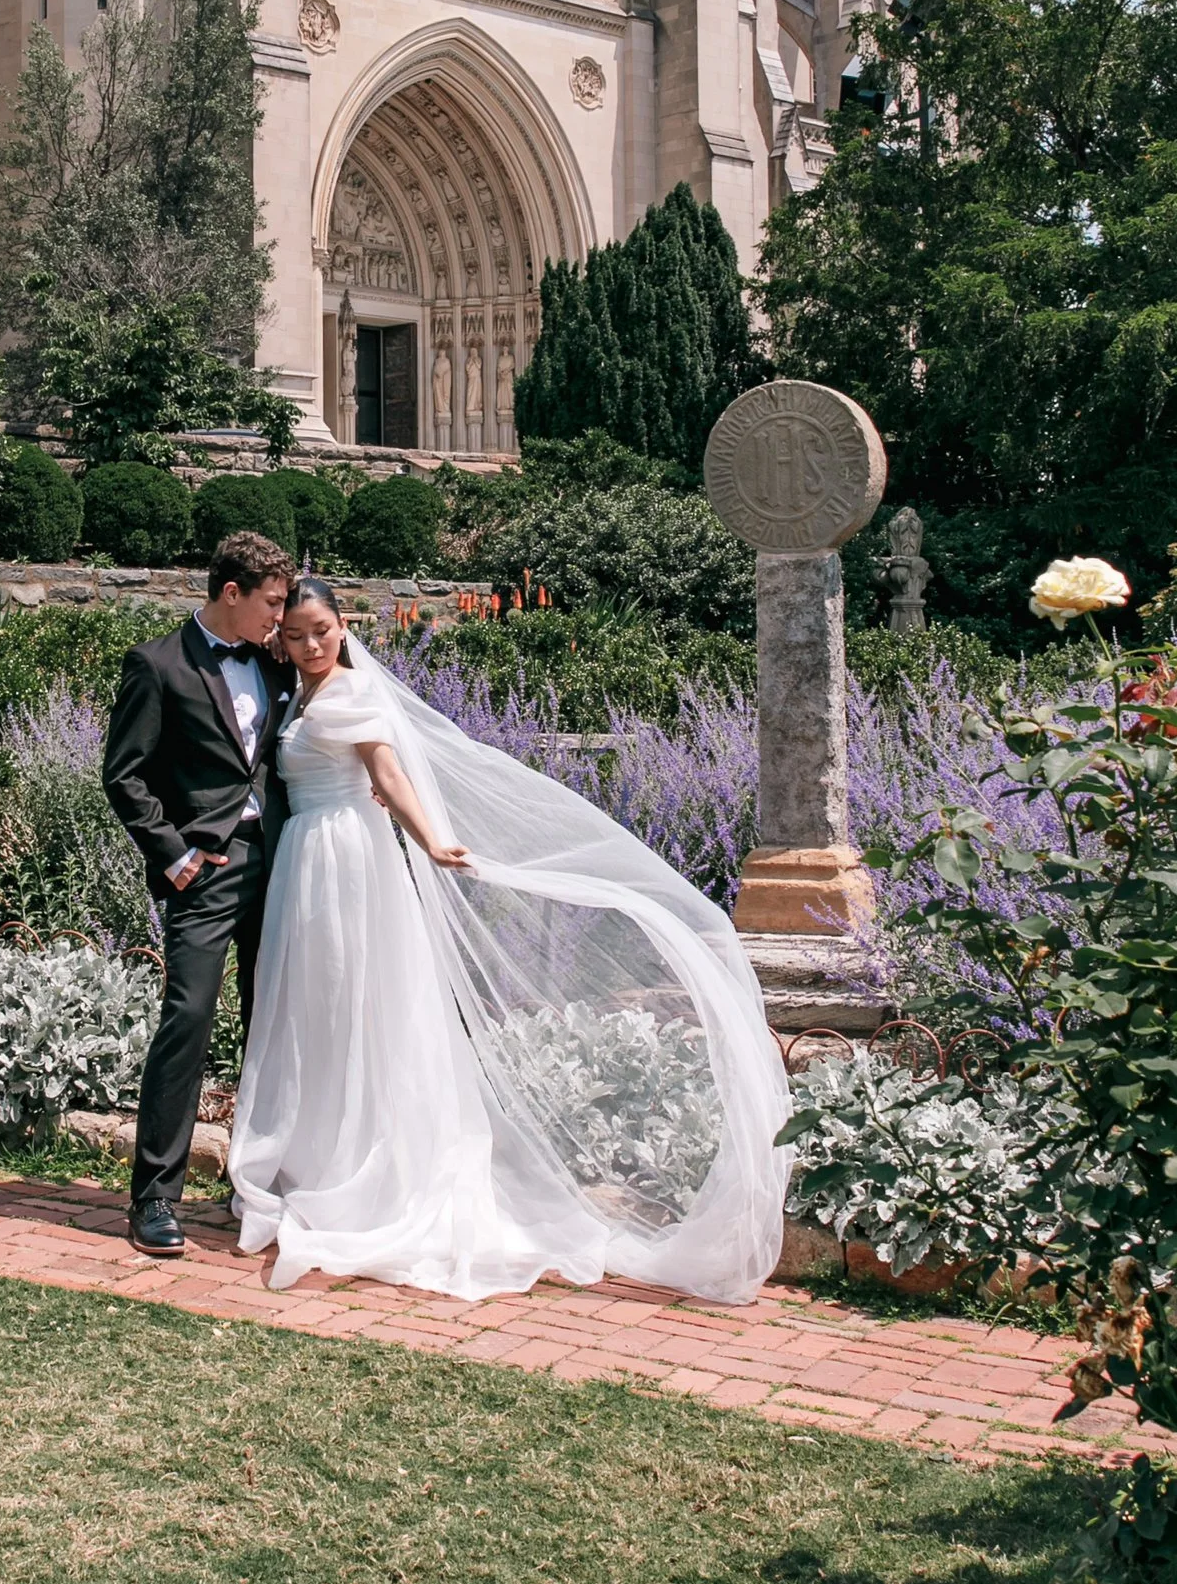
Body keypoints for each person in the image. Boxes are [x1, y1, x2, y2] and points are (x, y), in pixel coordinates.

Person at [228, 581, 792, 1303]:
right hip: (302, 863)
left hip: (349, 863)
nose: (311, 646)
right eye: (298, 634)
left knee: (358, 1007)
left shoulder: (353, 693)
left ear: (344, 627)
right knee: (312, 1013)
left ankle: (368, 1171)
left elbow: (389, 774)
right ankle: (313, 1162)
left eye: (322, 631)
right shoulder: (293, 693)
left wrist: (433, 837)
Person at [100, 531, 298, 1256]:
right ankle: (154, 1197)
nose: (279, 618)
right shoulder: (157, 664)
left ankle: (258, 1183)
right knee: (187, 1017)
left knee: (271, 1025)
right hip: (206, 869)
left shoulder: (277, 665)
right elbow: (124, 774)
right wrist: (175, 854)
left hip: (281, 862)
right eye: (271, 603)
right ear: (231, 593)